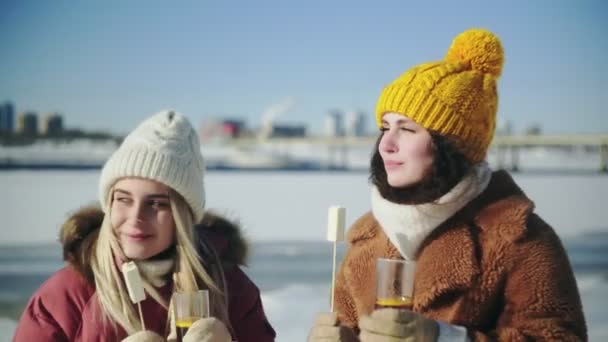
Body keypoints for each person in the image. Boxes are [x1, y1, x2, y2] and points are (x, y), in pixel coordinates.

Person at [308, 29, 586, 341]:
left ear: (452, 145)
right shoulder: (366, 239)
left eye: (407, 129)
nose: (386, 144)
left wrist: (446, 337)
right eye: (385, 127)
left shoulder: (518, 238)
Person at [14, 110, 276, 341]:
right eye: (123, 199)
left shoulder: (231, 290)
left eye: (157, 204)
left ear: (183, 216)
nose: (136, 217)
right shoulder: (66, 297)